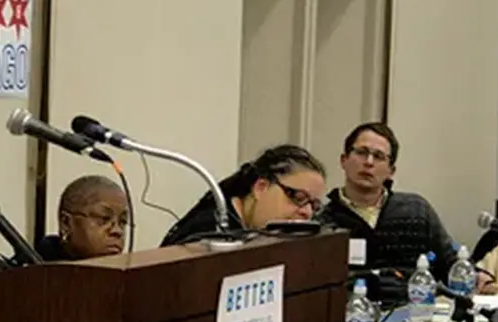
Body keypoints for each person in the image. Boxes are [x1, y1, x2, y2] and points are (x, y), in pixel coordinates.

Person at [317, 122, 473, 287]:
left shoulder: (416, 210)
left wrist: (480, 277)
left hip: (413, 307)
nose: (369, 162)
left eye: (378, 156)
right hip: (352, 308)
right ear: (344, 160)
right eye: (361, 153)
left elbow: (451, 262)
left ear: (391, 171)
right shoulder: (324, 221)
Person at [160, 144, 327, 246]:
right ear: (261, 188)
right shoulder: (206, 233)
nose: (307, 212)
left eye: (314, 205)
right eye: (298, 198)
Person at [37, 175, 128, 261]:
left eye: (123, 221)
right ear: (66, 223)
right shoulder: (35, 273)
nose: (117, 231)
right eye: (103, 218)